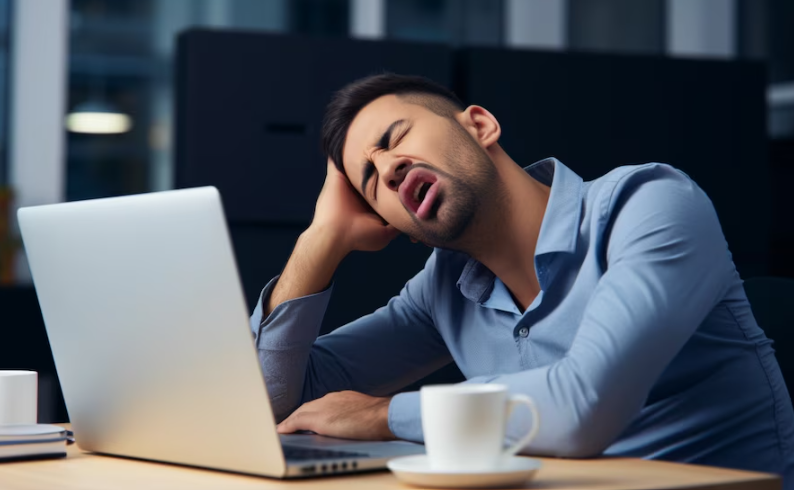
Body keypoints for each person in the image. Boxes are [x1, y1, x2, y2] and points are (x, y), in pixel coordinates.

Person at [248, 73, 794, 478]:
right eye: (370, 182)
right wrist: (320, 241)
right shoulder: (442, 291)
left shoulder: (649, 206)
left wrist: (382, 415)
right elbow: (274, 404)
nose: (389, 168)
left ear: (479, 125)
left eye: (396, 137)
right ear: (402, 229)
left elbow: (584, 407)